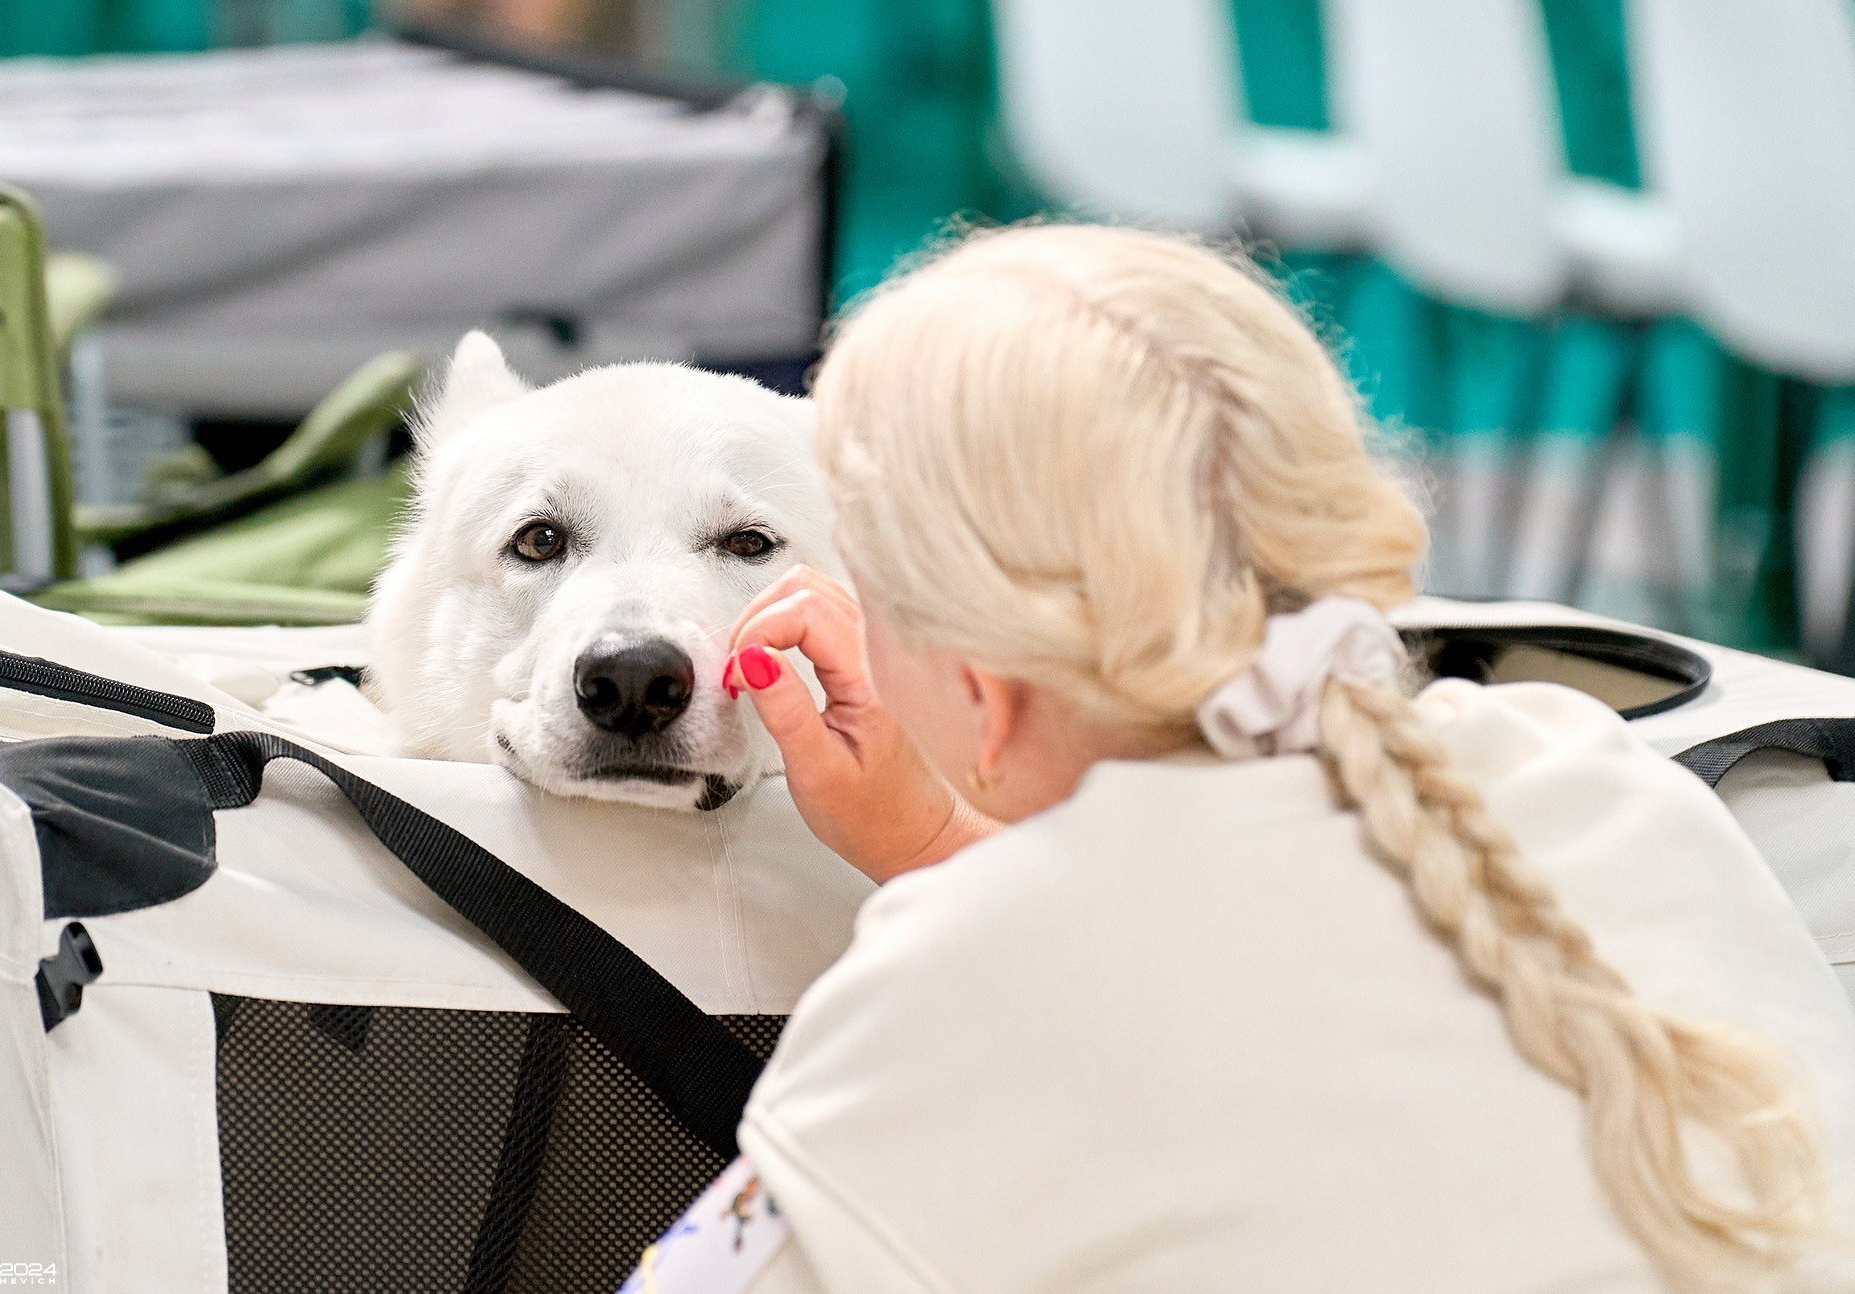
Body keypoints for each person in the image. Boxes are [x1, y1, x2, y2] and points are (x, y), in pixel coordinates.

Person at [714, 224, 1855, 1292]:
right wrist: (941, 848)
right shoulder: (1576, 769)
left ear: (975, 679)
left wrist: (962, 884)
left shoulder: (952, 975)